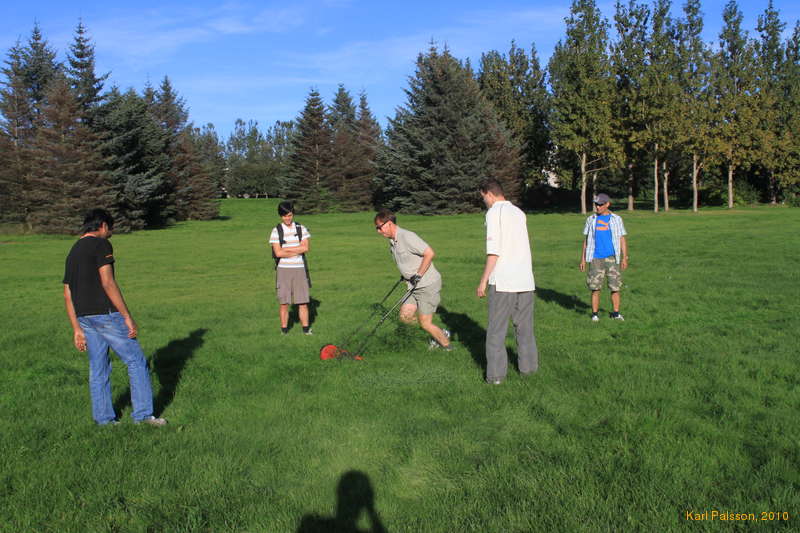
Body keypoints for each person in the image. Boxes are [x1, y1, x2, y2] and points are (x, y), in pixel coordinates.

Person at [62, 209, 166, 426]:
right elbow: (108, 283)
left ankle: (104, 421)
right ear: (103, 226)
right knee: (136, 361)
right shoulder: (101, 244)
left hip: (84, 317)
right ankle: (144, 416)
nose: (111, 233)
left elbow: (67, 292)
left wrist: (76, 328)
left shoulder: (73, 251)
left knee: (98, 367)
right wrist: (127, 316)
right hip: (106, 314)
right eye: (110, 228)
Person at [476, 179, 538, 384]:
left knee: (496, 331)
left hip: (503, 281)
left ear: (489, 194)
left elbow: (494, 251)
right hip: (526, 280)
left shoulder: (494, 213)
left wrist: (483, 280)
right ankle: (529, 370)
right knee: (525, 329)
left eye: (483, 197)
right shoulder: (519, 213)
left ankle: (495, 376)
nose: (484, 201)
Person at [374, 209, 452, 350]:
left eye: (380, 227)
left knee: (425, 323)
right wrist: (406, 275)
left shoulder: (407, 237)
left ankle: (447, 346)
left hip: (427, 285)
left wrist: (418, 274)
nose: (379, 231)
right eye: (377, 228)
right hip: (412, 286)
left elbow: (429, 253)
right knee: (405, 316)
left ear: (389, 224)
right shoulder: (393, 242)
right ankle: (437, 334)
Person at [579, 193, 629, 322]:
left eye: (600, 205)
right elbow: (586, 240)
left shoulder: (616, 219)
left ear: (607, 204)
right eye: (596, 204)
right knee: (595, 288)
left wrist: (624, 258)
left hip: (612, 258)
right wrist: (583, 259)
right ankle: (595, 315)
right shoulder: (591, 219)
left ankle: (616, 313)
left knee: (615, 287)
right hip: (595, 258)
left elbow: (622, 238)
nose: (597, 207)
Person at [269, 201, 312, 335]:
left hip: (299, 268)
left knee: (303, 302)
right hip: (283, 270)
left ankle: (306, 330)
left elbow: (306, 248)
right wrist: (297, 250)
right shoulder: (276, 231)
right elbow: (278, 253)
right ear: (280, 216)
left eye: (290, 215)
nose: (288, 218)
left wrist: (287, 249)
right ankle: (284, 330)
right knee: (284, 302)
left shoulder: (301, 228)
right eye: (285, 216)